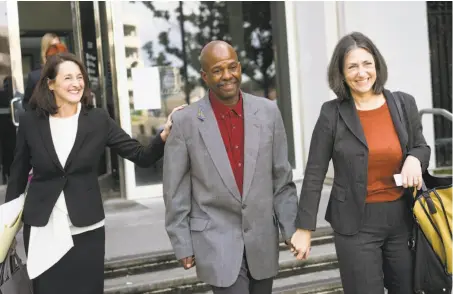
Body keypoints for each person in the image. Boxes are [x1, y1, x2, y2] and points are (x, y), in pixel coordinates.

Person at [4, 52, 184, 294]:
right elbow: (17, 175)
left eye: (79, 77)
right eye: (67, 77)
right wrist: (6, 228)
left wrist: (164, 135)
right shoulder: (30, 122)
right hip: (42, 227)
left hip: (86, 228)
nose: (76, 83)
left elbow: (141, 155)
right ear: (51, 84)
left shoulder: (97, 119)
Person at [291, 32, 431, 294]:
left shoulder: (403, 103)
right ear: (341, 73)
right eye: (352, 66)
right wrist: (304, 228)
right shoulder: (331, 113)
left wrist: (414, 158)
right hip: (355, 225)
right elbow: (314, 173)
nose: (361, 72)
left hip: (403, 220)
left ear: (377, 65)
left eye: (367, 63)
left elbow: (421, 146)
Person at [163, 40, 298, 294]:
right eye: (217, 70)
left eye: (232, 67)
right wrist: (182, 243)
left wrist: (290, 229)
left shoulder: (268, 112)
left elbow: (282, 180)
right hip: (215, 241)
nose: (227, 76)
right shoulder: (185, 122)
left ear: (239, 67)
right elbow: (175, 191)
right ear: (205, 76)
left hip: (262, 240)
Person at [23, 33, 63, 110]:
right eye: (53, 47)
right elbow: (27, 104)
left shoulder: (70, 71)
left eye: (59, 45)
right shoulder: (36, 76)